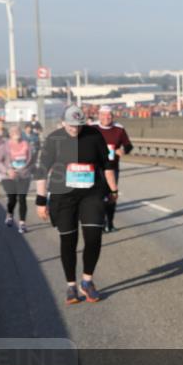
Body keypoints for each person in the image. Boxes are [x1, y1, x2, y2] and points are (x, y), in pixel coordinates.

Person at [34, 104, 119, 305]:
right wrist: (40, 200)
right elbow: (42, 170)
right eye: (71, 126)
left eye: (79, 126)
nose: (75, 129)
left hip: (92, 194)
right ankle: (71, 285)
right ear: (63, 122)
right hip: (63, 197)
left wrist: (113, 190)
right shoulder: (54, 139)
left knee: (94, 237)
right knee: (68, 241)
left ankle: (87, 281)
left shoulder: (94, 136)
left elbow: (107, 165)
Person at [93, 105, 133, 232]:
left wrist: (122, 150)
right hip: (95, 169)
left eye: (109, 114)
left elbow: (128, 145)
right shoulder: (91, 128)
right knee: (97, 197)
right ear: (99, 116)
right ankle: (99, 223)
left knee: (111, 196)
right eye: (104, 115)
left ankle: (109, 223)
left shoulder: (119, 129)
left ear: (113, 115)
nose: (107, 117)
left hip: (112, 167)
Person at [0, 125, 33, 233]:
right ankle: (9, 215)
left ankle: (22, 223)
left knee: (22, 199)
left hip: (23, 176)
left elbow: (31, 160)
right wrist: (7, 171)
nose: (16, 132)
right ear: (10, 134)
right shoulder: (4, 146)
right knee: (12, 198)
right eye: (13, 131)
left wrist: (26, 169)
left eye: (17, 130)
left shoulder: (27, 145)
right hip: (8, 177)